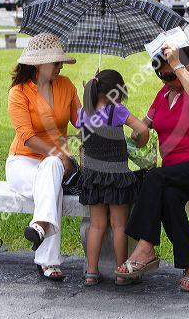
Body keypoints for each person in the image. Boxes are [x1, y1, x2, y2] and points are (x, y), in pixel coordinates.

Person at [115, 42, 189, 292]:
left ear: (186, 67)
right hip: (174, 174)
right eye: (160, 74)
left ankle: (145, 249)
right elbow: (142, 130)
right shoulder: (162, 96)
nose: (165, 79)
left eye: (169, 74)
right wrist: (106, 103)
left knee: (155, 178)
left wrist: (177, 65)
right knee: (169, 197)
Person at [6, 33, 81, 281]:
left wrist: (95, 98)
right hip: (22, 163)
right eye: (56, 62)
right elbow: (26, 137)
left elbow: (82, 124)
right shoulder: (19, 92)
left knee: (50, 170)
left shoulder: (67, 86)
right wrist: (59, 153)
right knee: (52, 188)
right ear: (39, 64)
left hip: (54, 164)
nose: (60, 66)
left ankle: (39, 227)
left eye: (61, 62)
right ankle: (47, 258)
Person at [76, 69, 149, 286]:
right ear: (115, 92)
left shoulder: (82, 113)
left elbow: (82, 141)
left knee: (96, 225)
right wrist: (139, 140)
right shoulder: (116, 111)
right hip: (116, 177)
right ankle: (121, 273)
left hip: (93, 178)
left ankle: (91, 272)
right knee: (119, 226)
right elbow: (142, 129)